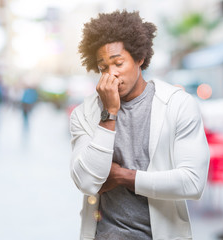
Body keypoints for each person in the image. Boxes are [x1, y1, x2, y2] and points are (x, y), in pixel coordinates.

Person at [69, 10, 210, 240]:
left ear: (139, 57)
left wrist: (123, 176)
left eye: (118, 63)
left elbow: (193, 183)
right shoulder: (85, 113)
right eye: (103, 67)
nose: (111, 74)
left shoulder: (178, 105)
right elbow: (86, 181)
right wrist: (109, 114)